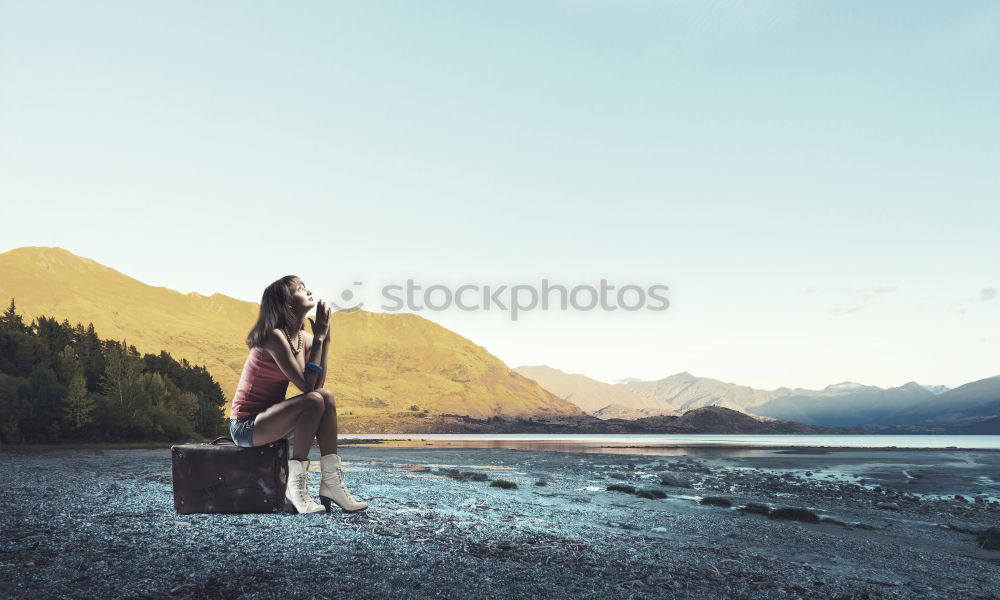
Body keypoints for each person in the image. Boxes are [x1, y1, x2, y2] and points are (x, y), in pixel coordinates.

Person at [228, 275, 368, 514]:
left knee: (326, 396)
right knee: (315, 399)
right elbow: (306, 387)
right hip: (247, 426)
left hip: (274, 422)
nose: (308, 290)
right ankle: (295, 486)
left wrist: (326, 339)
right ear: (286, 302)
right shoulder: (273, 337)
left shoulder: (304, 339)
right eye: (300, 289)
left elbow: (317, 385)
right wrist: (321, 337)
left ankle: (332, 484)